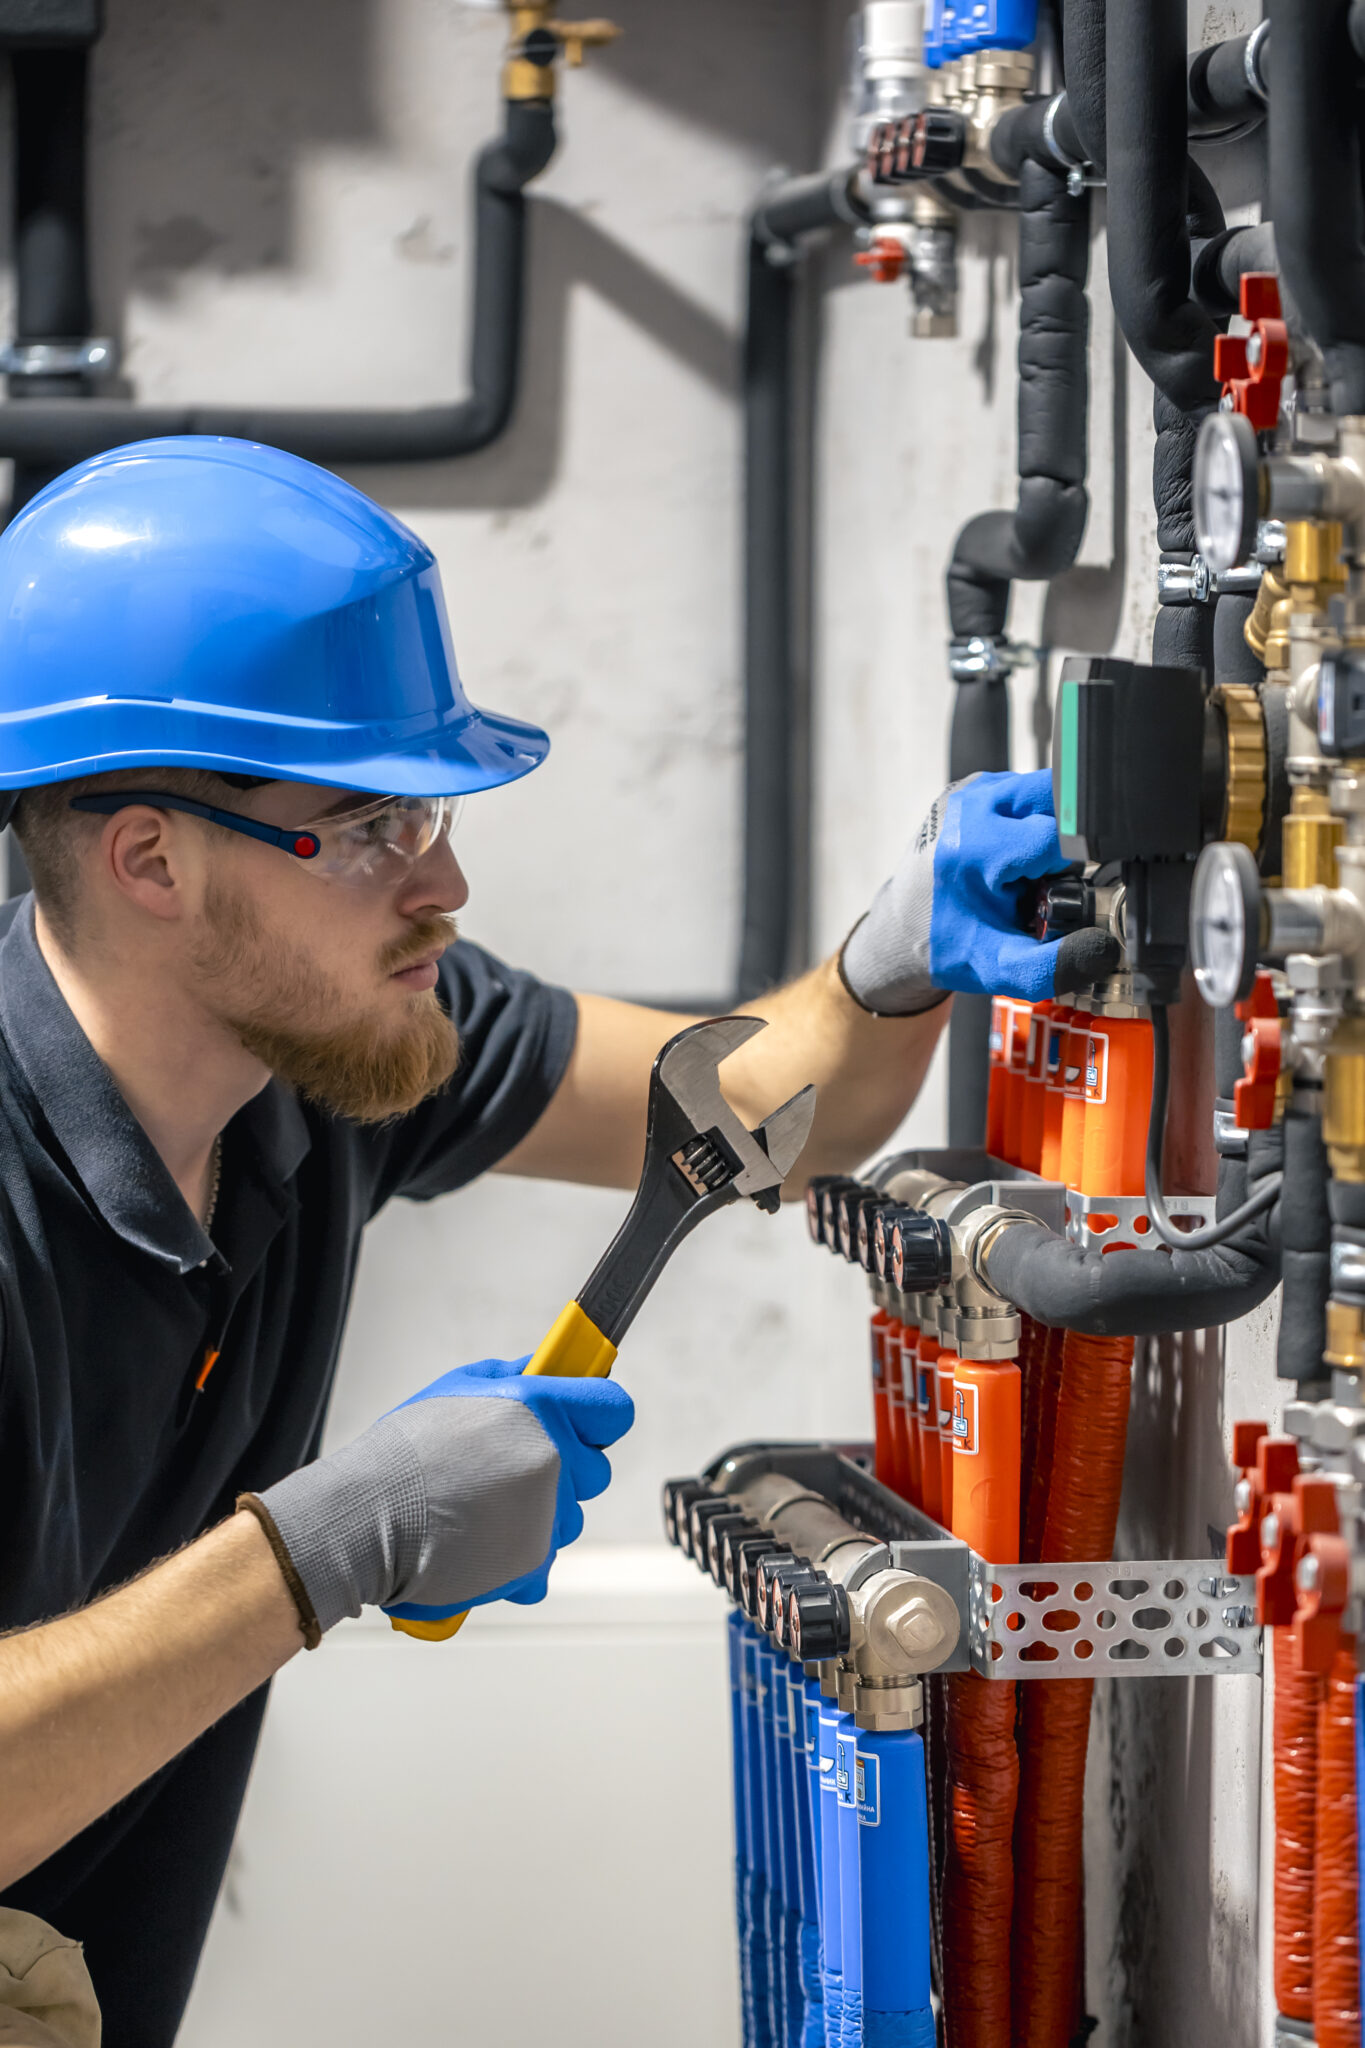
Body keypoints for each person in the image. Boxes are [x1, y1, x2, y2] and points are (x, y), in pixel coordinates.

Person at [0, 437, 1113, 2046]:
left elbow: (742, 1105)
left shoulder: (332, 1053)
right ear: (153, 858)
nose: (444, 882)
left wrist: (886, 964)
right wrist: (318, 1552)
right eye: (371, 824)